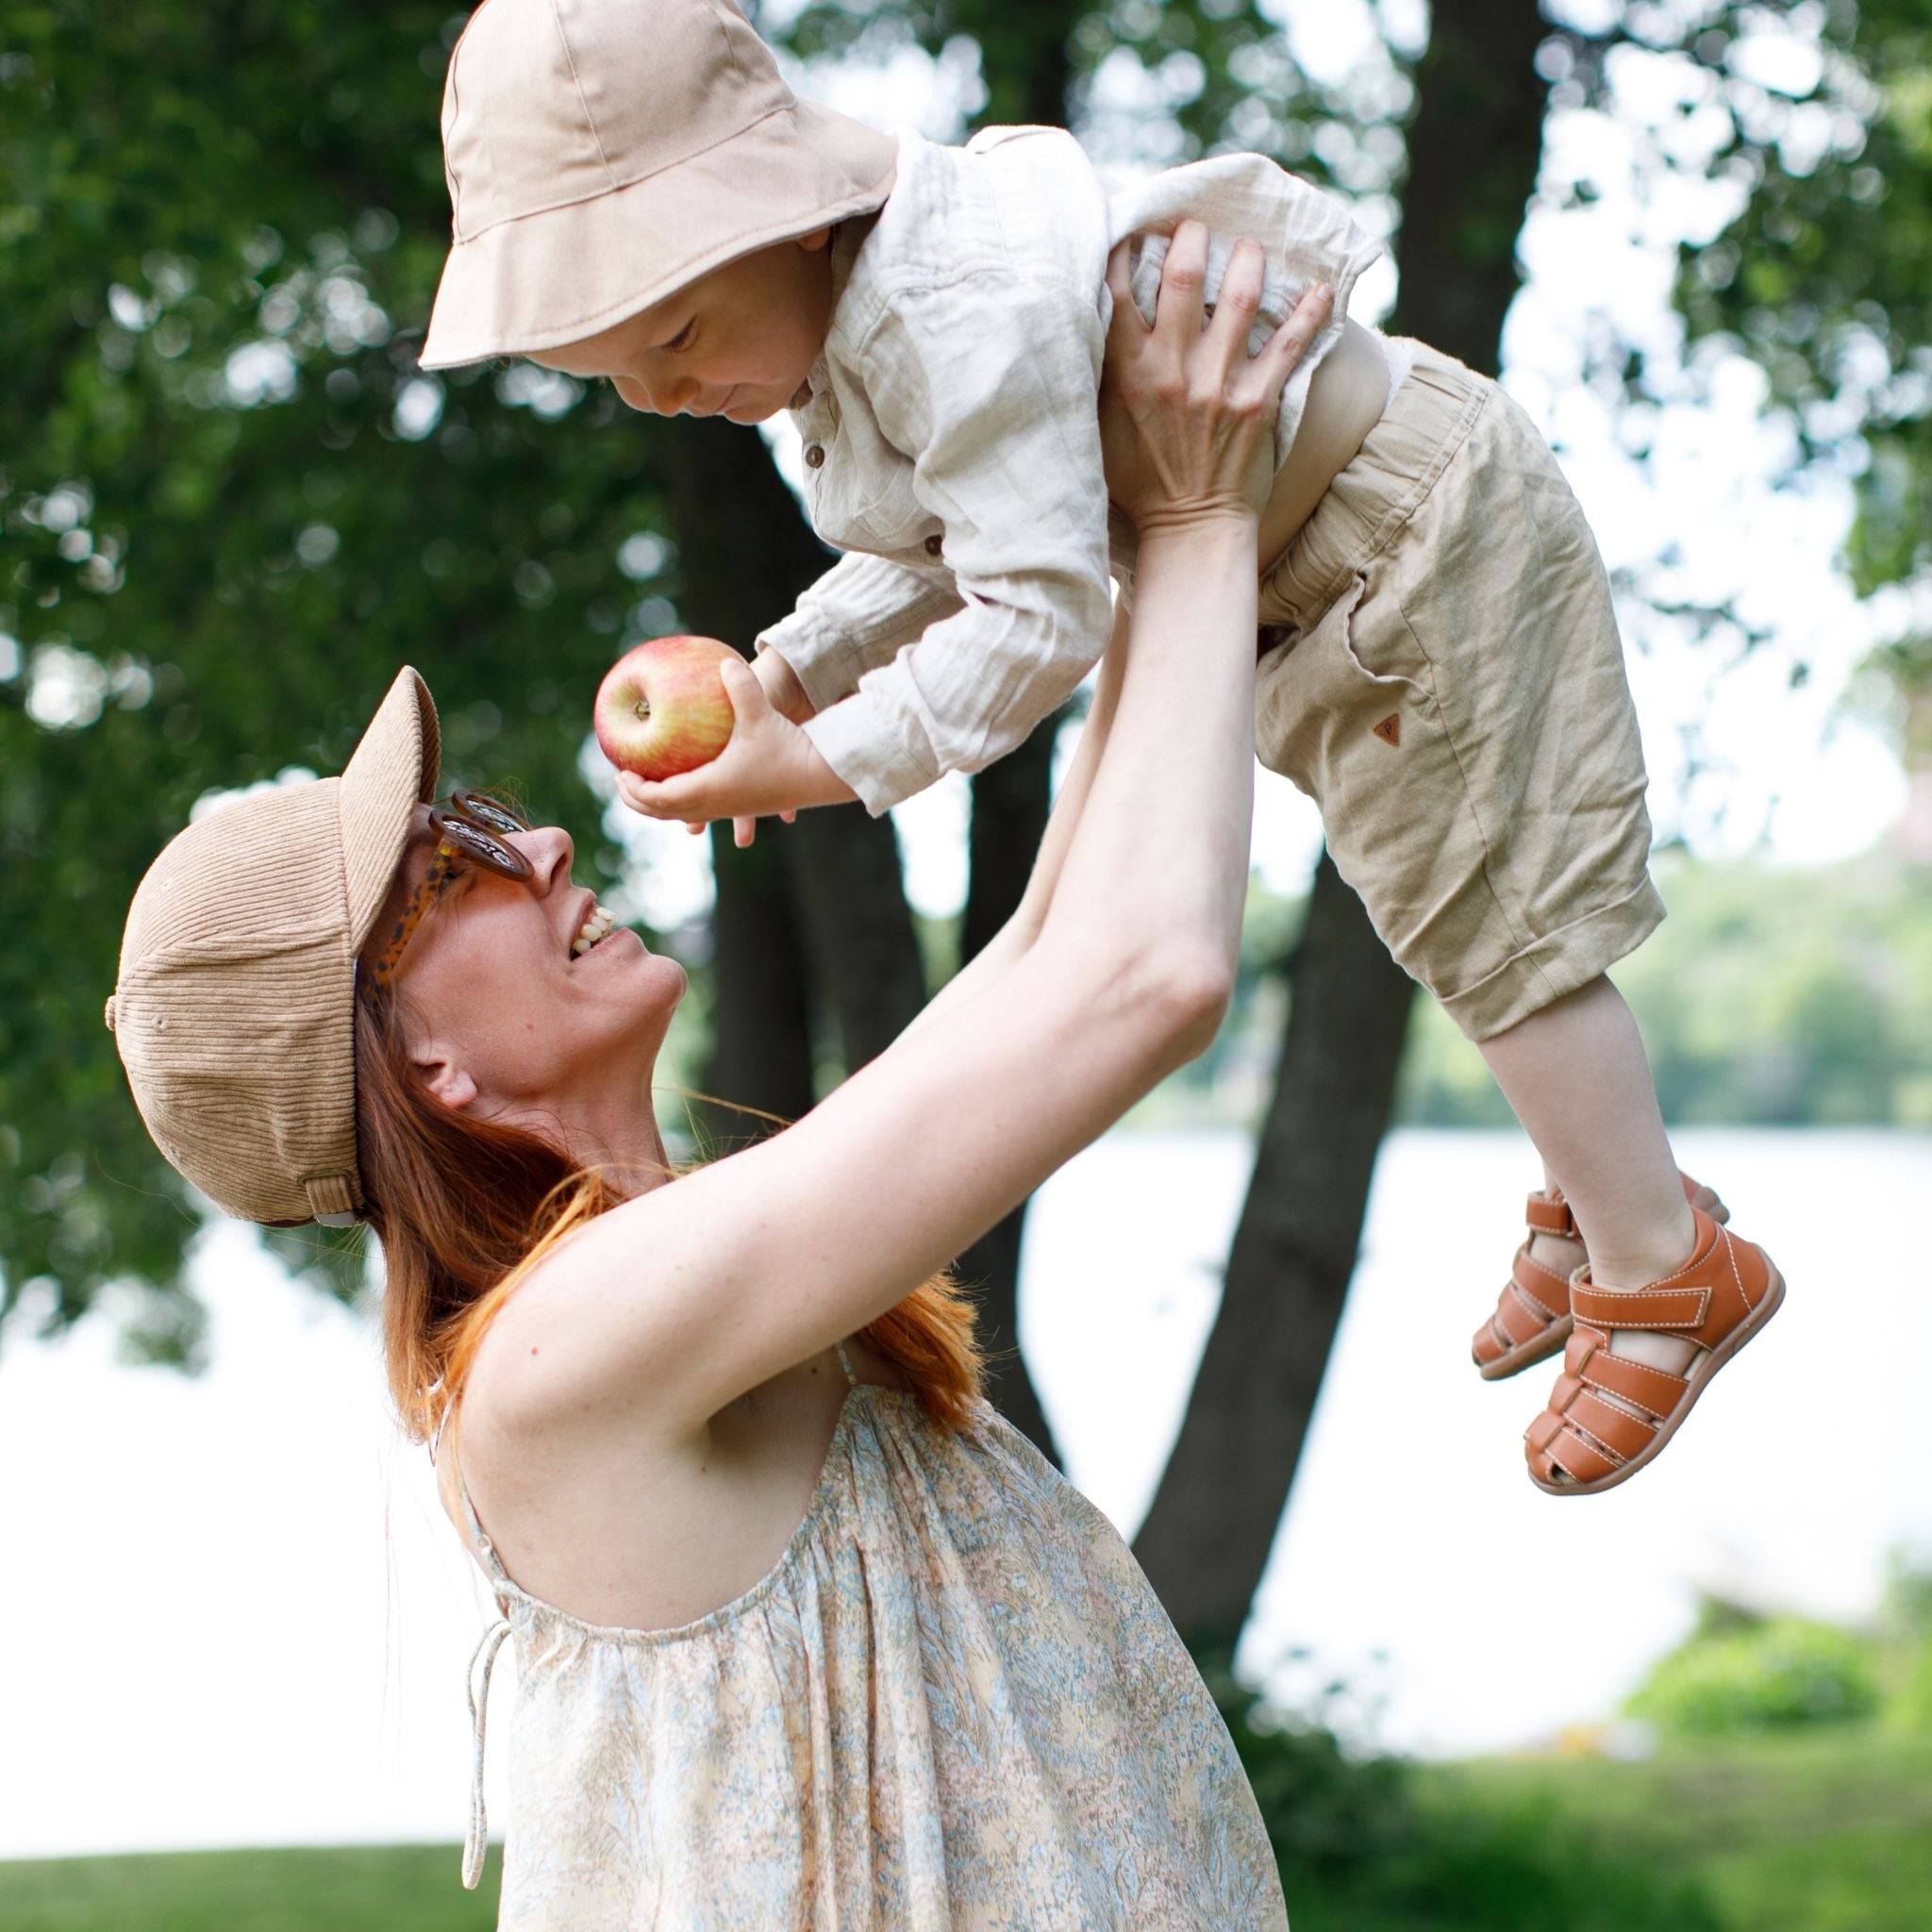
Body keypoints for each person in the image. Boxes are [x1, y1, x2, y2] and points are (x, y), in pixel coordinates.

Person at [413, 0, 1784, 1496]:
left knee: (1495, 926)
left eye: (673, 336)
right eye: (611, 372)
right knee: (1439, 912)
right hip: (1314, 573)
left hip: (1403, 539)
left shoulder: (958, 308)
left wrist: (814, 766)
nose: (660, 393)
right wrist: (792, 674)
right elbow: (954, 534)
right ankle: (1601, 1189)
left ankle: (1667, 1260)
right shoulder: (871, 320)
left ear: (797, 222)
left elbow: (1037, 617)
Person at [106, 237, 1316, 1926]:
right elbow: (1144, 977)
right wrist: (1195, 519)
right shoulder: (556, 1361)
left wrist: (1106, 533)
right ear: (425, 1070)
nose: (534, 840)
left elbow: (1054, 955)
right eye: (449, 872)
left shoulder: (675, 1281)